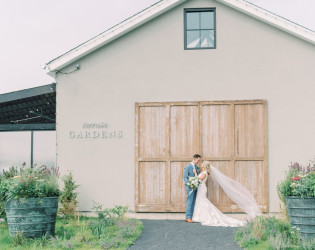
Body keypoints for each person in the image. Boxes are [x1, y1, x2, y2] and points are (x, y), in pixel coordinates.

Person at [192, 161, 261, 227]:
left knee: (203, 201)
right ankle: (200, 216)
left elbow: (199, 179)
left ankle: (202, 216)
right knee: (200, 201)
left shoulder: (204, 173)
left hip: (202, 189)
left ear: (204, 166)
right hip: (201, 188)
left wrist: (195, 174)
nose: (201, 165)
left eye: (202, 164)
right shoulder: (203, 172)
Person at [183, 154, 201, 223]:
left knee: (193, 201)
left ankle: (191, 216)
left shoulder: (196, 167)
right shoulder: (188, 167)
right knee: (189, 201)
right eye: (198, 160)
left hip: (195, 186)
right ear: (194, 159)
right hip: (190, 186)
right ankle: (188, 217)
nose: (198, 162)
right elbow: (185, 177)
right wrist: (189, 185)